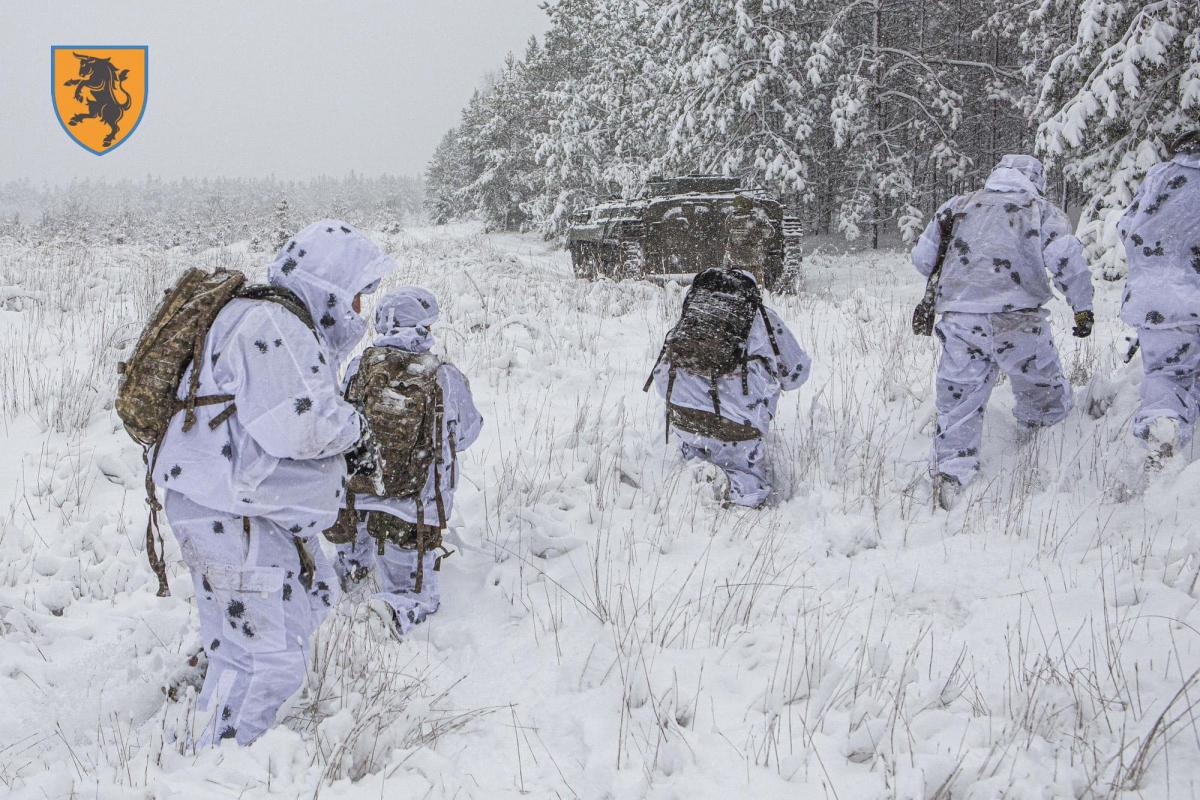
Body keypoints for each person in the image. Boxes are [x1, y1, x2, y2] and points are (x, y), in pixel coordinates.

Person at [155, 219, 394, 746]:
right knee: (269, 661)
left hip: (233, 511)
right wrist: (357, 430)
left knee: (283, 621)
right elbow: (301, 425)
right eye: (354, 295)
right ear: (327, 284)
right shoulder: (274, 324)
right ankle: (224, 762)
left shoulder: (260, 315)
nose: (359, 311)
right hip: (234, 515)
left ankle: (208, 738)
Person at [911, 155, 1094, 508]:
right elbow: (1067, 260)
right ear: (1036, 180)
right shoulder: (1040, 210)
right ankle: (1038, 458)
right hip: (1019, 322)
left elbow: (922, 259)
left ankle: (950, 478)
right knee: (1043, 395)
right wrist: (1082, 307)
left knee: (958, 404)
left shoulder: (957, 206)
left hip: (962, 321)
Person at [331, 287, 483, 638]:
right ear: (424, 327)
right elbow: (468, 432)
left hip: (354, 500)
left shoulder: (359, 367)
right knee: (416, 596)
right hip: (413, 508)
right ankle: (387, 617)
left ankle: (338, 597)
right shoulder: (443, 375)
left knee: (348, 573)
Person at [647, 267, 809, 508]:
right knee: (745, 476)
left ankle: (693, 487)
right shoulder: (763, 318)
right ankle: (742, 501)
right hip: (737, 427)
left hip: (684, 417)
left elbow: (661, 380)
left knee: (695, 459)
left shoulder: (694, 315)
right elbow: (797, 375)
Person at [1117, 129, 1200, 468]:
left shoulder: (1158, 177)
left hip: (1158, 299)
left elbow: (1126, 227)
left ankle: (1163, 431)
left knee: (1167, 374)